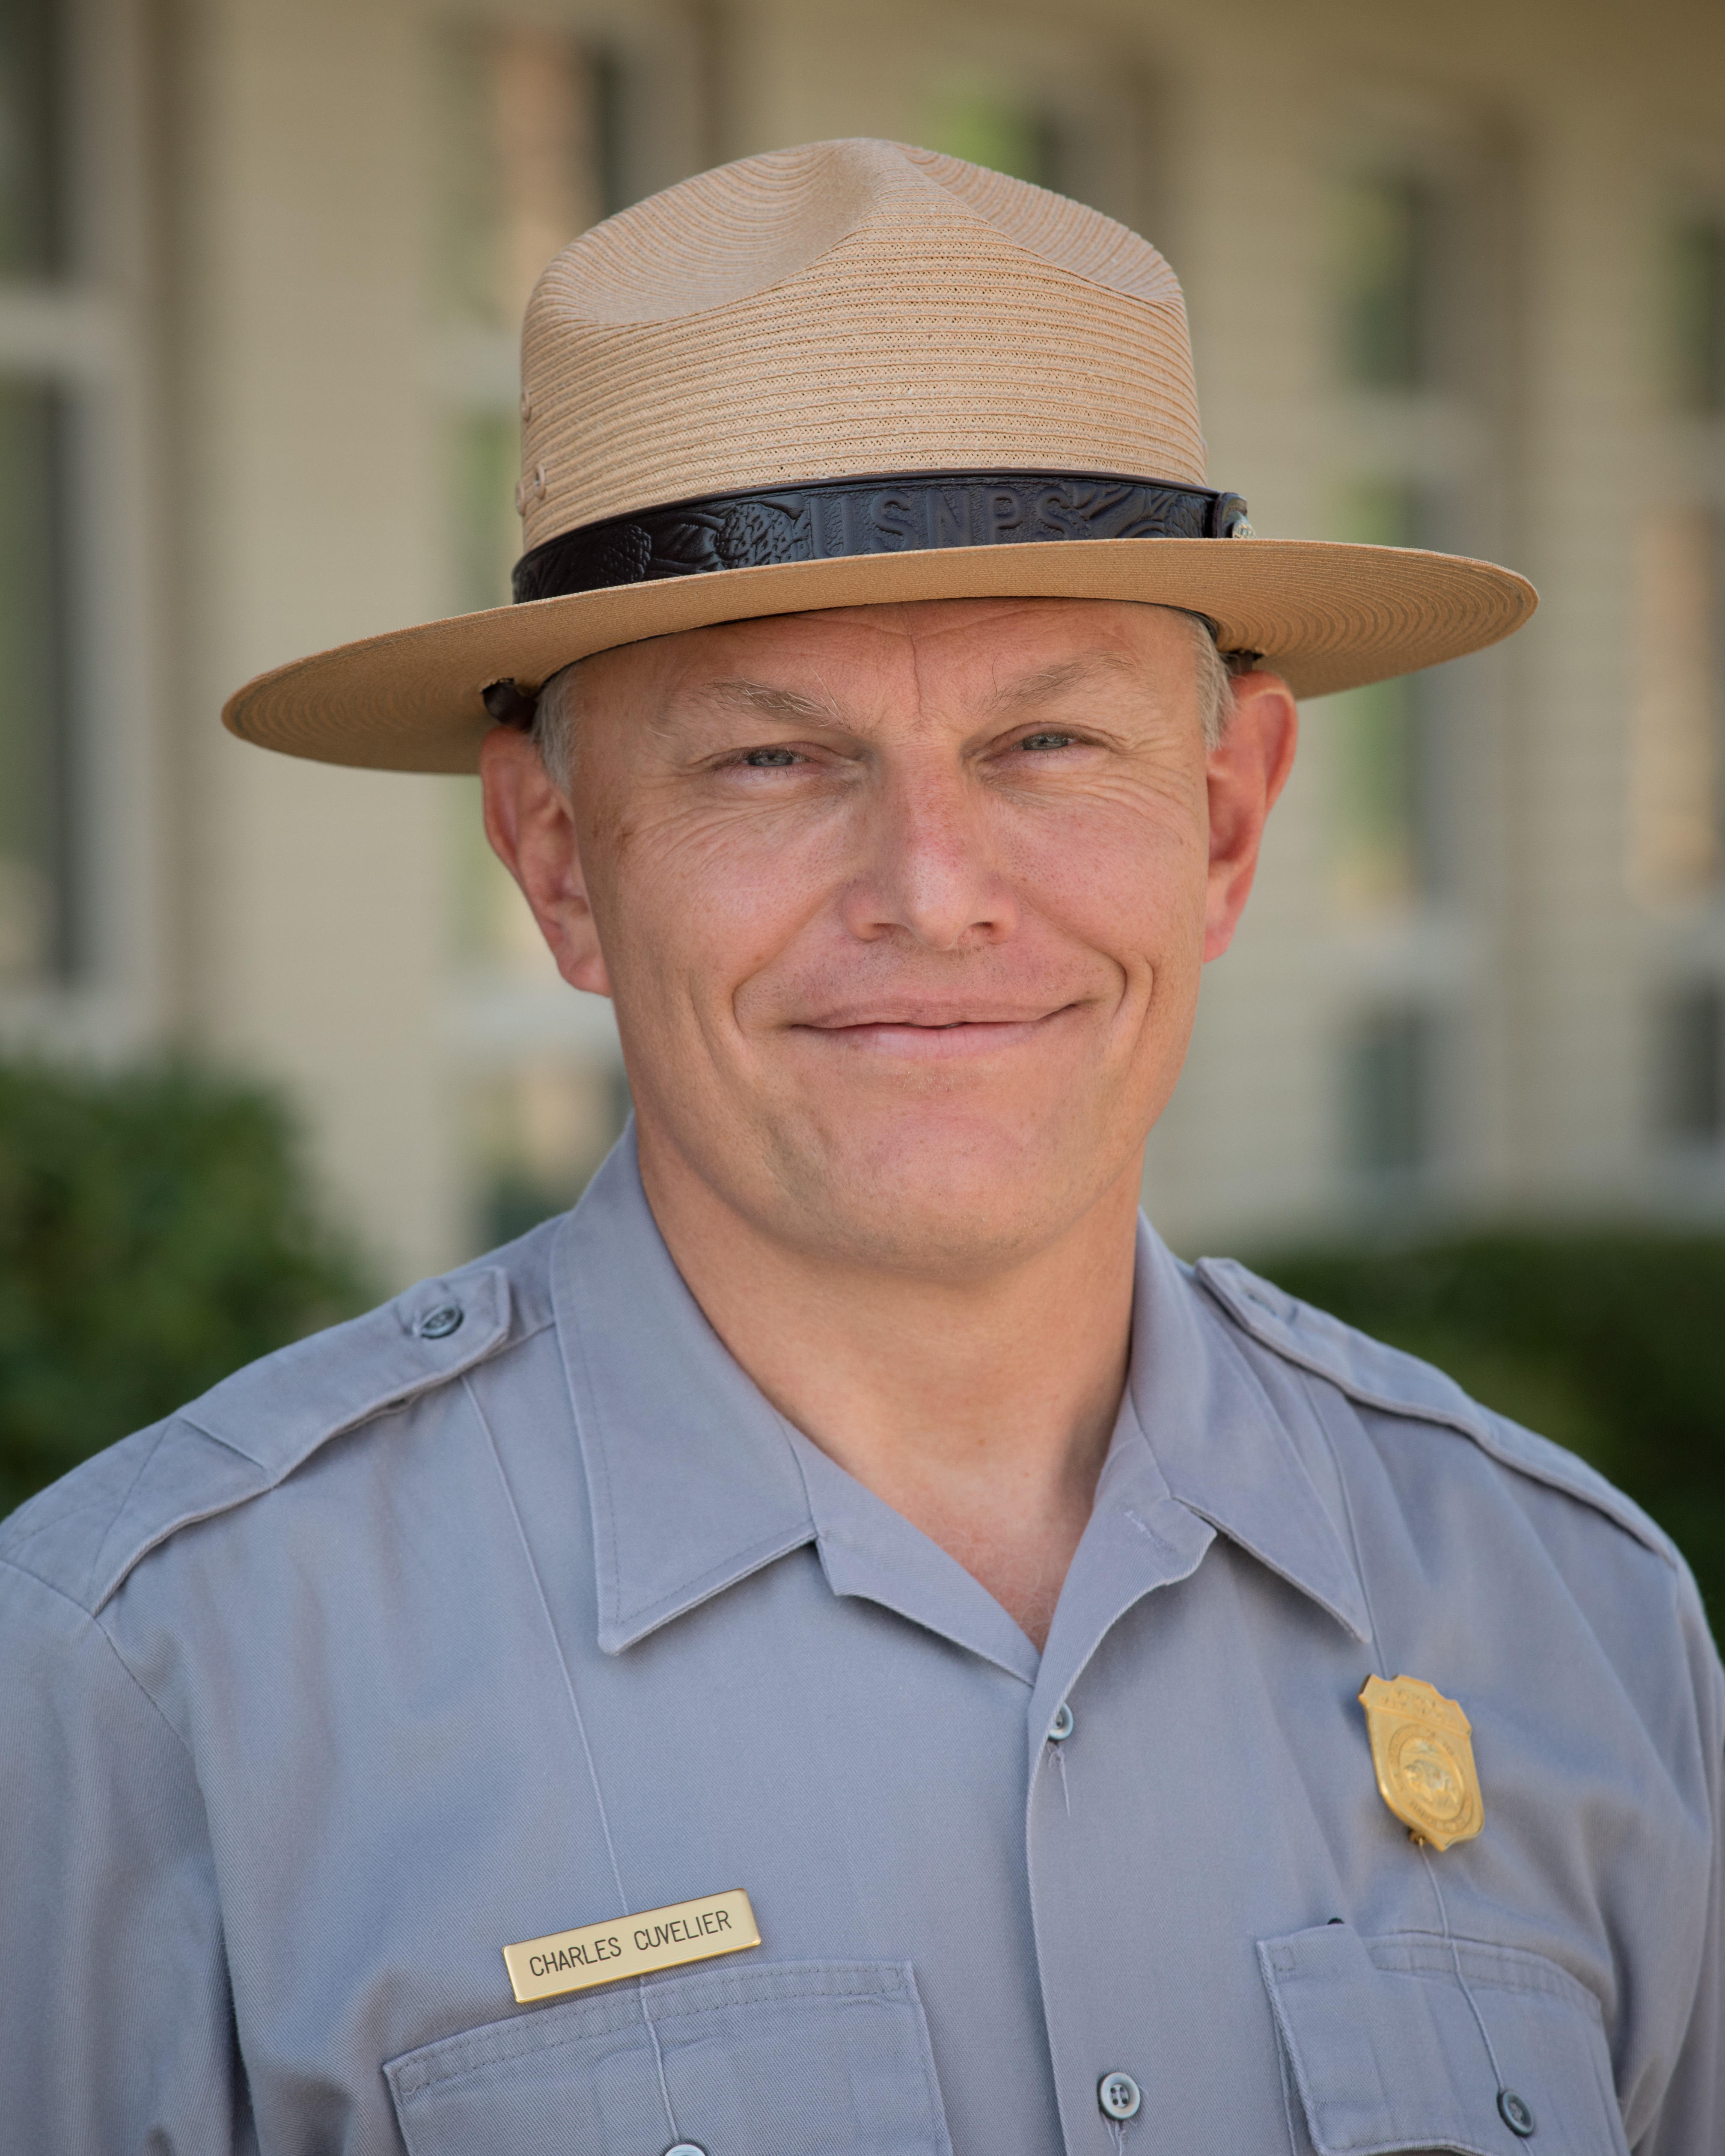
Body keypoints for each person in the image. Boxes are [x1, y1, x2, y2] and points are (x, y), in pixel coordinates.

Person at [1, 138, 1716, 2156]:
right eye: (770, 759)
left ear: (1234, 819)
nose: (932, 891)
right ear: (558, 861)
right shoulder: (148, 1689)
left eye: (1046, 744)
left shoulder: (1565, 1613)